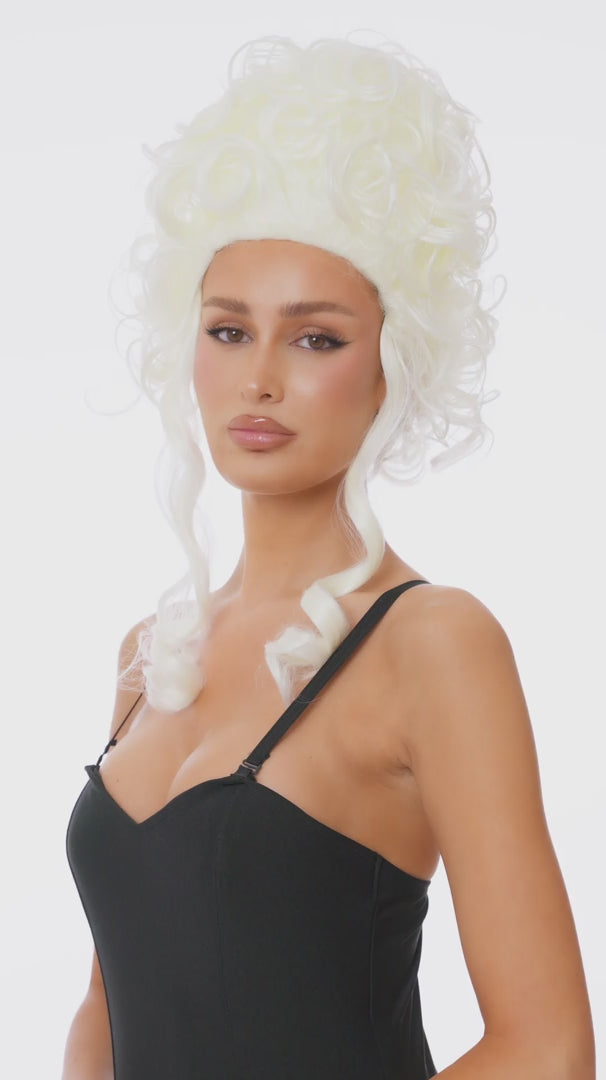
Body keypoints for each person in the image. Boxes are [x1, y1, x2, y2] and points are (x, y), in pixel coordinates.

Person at [62, 33, 595, 1080]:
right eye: (228, 330)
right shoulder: (153, 655)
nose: (259, 377)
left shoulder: (432, 643)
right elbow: (107, 1006)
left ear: (392, 365)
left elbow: (548, 1048)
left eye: (315, 338)